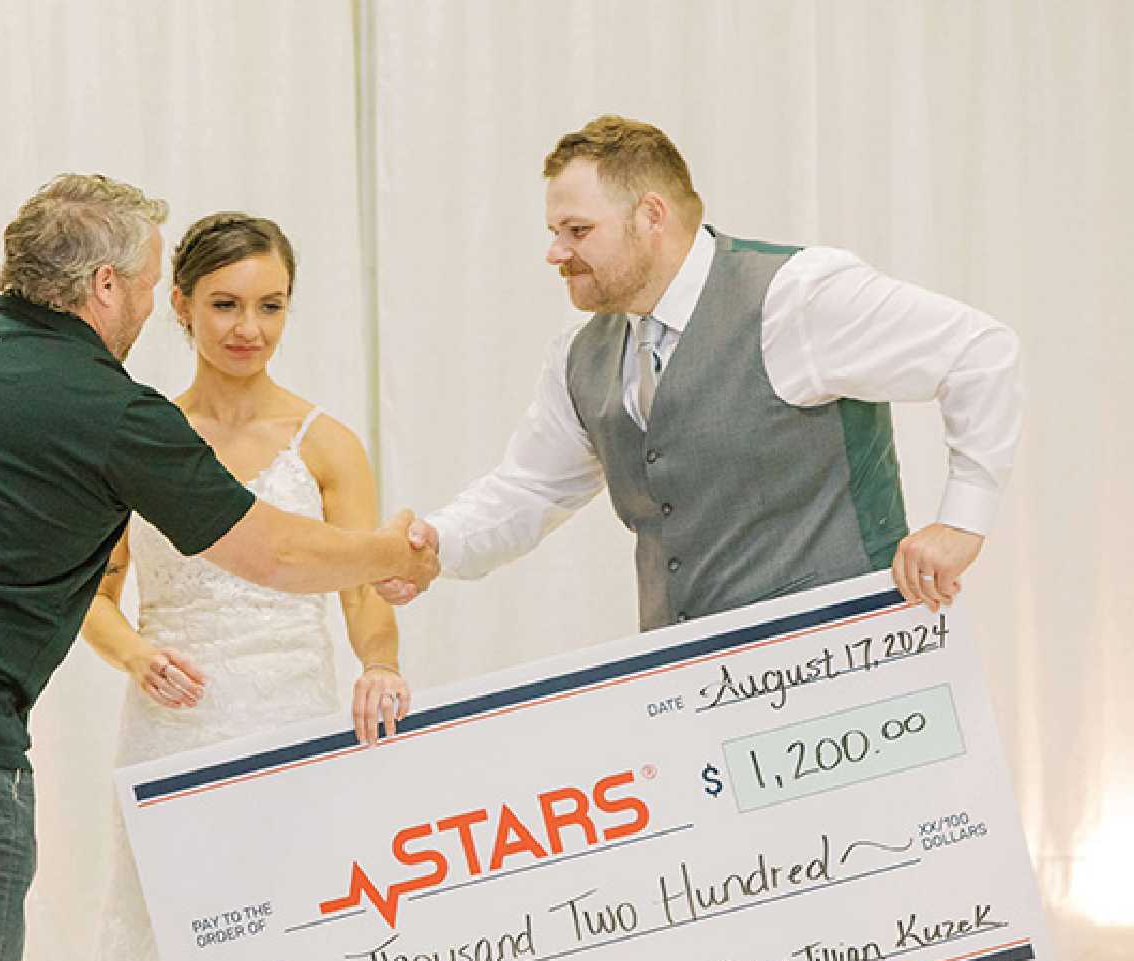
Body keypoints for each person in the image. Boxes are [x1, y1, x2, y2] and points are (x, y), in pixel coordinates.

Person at [0, 175, 436, 961]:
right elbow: (273, 556)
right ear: (108, 285)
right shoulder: (119, 413)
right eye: (152, 283)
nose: (152, 304)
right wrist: (396, 552)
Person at [380, 115, 1021, 628]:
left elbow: (979, 349)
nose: (555, 252)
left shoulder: (794, 296)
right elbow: (530, 490)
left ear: (651, 216)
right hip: (688, 693)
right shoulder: (580, 356)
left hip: (844, 668)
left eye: (577, 230)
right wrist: (435, 543)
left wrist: (963, 522)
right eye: (554, 230)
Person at [81, 212, 409, 961]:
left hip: (294, 715)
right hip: (171, 722)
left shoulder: (326, 443)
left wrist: (382, 663)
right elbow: (91, 594)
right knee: (169, 929)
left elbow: (359, 580)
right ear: (182, 305)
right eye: (226, 304)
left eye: (272, 305)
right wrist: (135, 655)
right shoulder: (139, 434)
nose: (249, 328)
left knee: (295, 925)